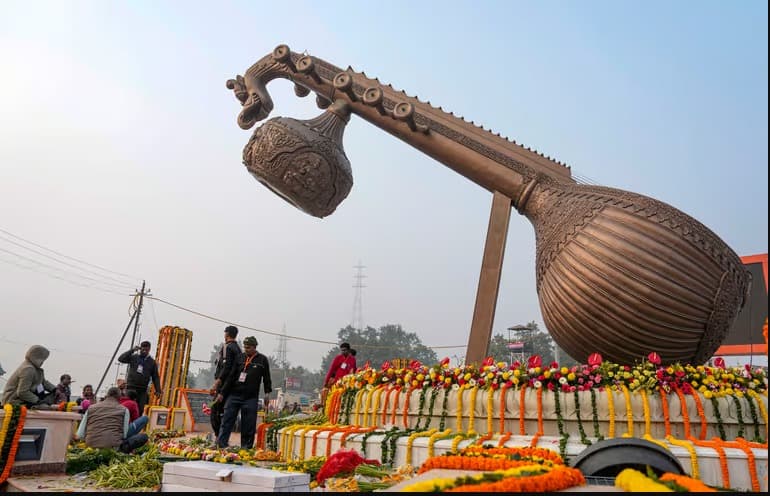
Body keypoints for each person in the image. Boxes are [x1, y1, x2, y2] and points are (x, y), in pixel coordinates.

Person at [215, 336, 271, 449]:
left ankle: (246, 447)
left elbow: (266, 378)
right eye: (245, 347)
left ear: (255, 347)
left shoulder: (262, 360)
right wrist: (222, 393)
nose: (246, 349)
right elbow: (231, 377)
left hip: (250, 397)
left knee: (248, 423)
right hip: (234, 394)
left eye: (249, 347)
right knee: (227, 419)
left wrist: (267, 393)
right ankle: (221, 444)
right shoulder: (239, 358)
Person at [76, 387, 148, 453]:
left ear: (107, 395)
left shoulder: (91, 408)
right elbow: (124, 434)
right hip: (114, 448)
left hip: (91, 447)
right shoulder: (124, 410)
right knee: (143, 432)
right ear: (119, 398)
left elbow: (80, 434)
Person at [209, 325, 242, 437]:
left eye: (225, 333)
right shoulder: (237, 349)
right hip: (232, 386)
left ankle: (219, 438)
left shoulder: (228, 347)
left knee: (215, 412)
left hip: (224, 386)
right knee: (224, 414)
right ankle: (222, 439)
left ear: (227, 334)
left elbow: (227, 368)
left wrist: (217, 384)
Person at [117, 341, 162, 415]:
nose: (144, 351)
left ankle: (136, 425)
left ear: (149, 349)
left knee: (140, 410)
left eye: (146, 350)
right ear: (140, 348)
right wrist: (132, 350)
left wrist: (158, 390)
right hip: (131, 388)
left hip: (142, 390)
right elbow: (121, 359)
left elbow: (155, 377)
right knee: (126, 408)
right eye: (143, 349)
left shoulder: (152, 362)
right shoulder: (134, 357)